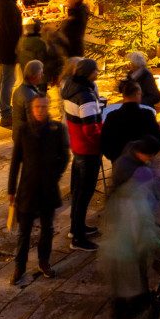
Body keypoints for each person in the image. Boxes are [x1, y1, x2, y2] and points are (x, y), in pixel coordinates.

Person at [101, 138, 160, 319]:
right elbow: (142, 233)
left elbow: (109, 220)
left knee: (118, 295)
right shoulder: (139, 204)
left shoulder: (121, 194)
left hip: (110, 252)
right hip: (127, 256)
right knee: (137, 293)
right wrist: (159, 247)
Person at [7, 95, 69, 284]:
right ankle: (20, 266)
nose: (40, 110)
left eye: (44, 106)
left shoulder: (57, 129)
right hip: (27, 189)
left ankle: (44, 262)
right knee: (24, 231)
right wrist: (11, 189)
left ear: (48, 107)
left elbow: (64, 156)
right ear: (32, 109)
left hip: (48, 189)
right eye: (37, 107)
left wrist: (55, 174)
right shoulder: (24, 130)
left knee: (47, 229)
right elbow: (16, 160)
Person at [62, 58, 105, 251]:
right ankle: (78, 239)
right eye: (96, 70)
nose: (98, 72)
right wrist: (104, 139)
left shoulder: (70, 86)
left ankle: (76, 228)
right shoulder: (86, 97)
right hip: (88, 151)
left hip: (77, 147)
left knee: (78, 191)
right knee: (84, 194)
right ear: (88, 73)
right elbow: (91, 130)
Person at [99, 76, 160, 166]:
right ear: (138, 93)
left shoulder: (112, 116)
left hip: (120, 164)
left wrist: (115, 158)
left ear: (123, 95)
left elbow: (104, 143)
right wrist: (148, 155)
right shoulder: (147, 115)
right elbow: (158, 141)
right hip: (143, 164)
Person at [0, 0, 23, 126]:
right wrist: (17, 46)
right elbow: (11, 28)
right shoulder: (7, 4)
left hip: (1, 47)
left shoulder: (1, 1)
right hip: (8, 48)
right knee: (8, 80)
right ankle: (5, 112)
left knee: (2, 78)